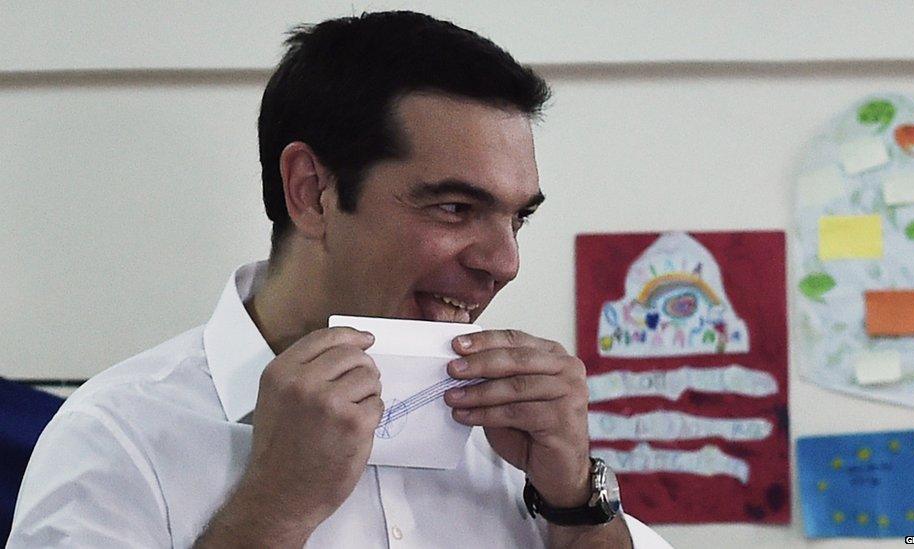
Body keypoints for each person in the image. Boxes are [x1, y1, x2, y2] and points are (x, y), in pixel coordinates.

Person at [9, 11, 671, 548]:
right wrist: (271, 511)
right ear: (312, 191)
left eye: (516, 218)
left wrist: (578, 505)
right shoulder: (116, 436)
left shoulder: (518, 439)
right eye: (455, 208)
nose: (503, 262)